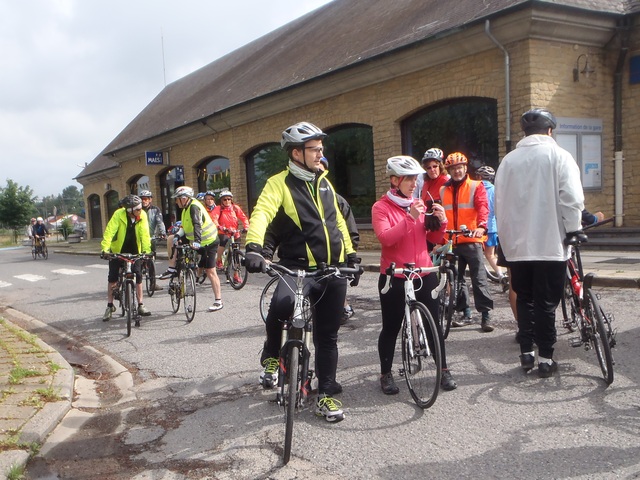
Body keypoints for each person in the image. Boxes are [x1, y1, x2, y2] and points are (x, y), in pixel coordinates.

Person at [243, 121, 360, 423]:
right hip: (295, 267)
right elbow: (262, 213)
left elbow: (337, 225)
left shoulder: (325, 182)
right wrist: (254, 248)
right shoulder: (278, 183)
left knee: (327, 336)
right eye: (315, 149)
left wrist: (352, 256)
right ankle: (272, 354)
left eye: (322, 149)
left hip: (331, 270)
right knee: (281, 306)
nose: (321, 154)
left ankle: (327, 395)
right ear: (297, 153)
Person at [495, 107, 584, 378]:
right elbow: (571, 198)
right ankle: (545, 358)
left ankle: (526, 353)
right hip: (549, 243)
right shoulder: (559, 155)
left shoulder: (508, 161)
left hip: (517, 245)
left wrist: (506, 240)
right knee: (546, 303)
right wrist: (574, 230)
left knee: (525, 299)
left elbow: (500, 203)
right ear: (550, 130)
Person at [372, 155, 457, 394]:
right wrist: (410, 217)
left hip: (423, 271)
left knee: (434, 325)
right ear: (394, 180)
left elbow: (431, 240)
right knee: (391, 326)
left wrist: (441, 222)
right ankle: (386, 373)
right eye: (408, 178)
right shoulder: (381, 208)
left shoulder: (419, 202)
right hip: (394, 274)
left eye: (415, 178)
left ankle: (443, 370)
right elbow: (386, 238)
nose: (413, 183)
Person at [440, 152, 494, 332]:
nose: (457, 171)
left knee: (479, 278)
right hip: (452, 241)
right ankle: (466, 313)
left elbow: (482, 207)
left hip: (471, 239)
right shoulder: (443, 189)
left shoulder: (475, 186)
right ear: (449, 170)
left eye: (460, 167)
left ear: (465, 168)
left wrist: (481, 226)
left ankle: (486, 315)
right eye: (453, 168)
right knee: (457, 279)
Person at [159, 186, 223, 312]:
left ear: (184, 199)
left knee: (210, 271)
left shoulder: (194, 207)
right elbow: (185, 226)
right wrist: (178, 235)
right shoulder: (185, 210)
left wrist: (197, 242)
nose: (176, 202)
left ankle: (218, 301)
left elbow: (197, 225)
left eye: (177, 199)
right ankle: (172, 268)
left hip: (208, 242)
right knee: (171, 239)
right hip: (195, 240)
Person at [318, 156, 359, 324]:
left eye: (321, 170)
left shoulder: (336, 199)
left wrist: (351, 255)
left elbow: (350, 228)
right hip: (313, 254)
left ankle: (343, 306)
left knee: (336, 285)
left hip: (337, 252)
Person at [100, 195, 152, 322]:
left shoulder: (143, 215)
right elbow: (109, 232)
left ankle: (140, 304)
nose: (141, 210)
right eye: (138, 209)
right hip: (118, 250)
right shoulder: (119, 214)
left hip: (135, 250)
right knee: (112, 278)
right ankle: (110, 306)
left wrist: (146, 251)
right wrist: (105, 249)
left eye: (141, 207)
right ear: (130, 210)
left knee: (139, 276)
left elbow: (145, 234)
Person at [211, 190, 249, 278]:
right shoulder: (218, 209)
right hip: (223, 232)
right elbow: (214, 219)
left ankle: (236, 275)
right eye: (224, 199)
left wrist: (246, 226)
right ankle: (219, 259)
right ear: (221, 201)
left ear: (231, 200)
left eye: (229, 199)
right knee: (223, 241)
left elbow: (244, 218)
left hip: (234, 232)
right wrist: (219, 226)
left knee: (236, 254)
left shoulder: (235, 208)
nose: (227, 201)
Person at [475, 165, 504, 280]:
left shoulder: (476, 188)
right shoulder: (495, 190)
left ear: (479, 176)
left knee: (477, 256)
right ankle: (501, 275)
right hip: (492, 227)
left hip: (478, 227)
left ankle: (478, 279)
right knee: (490, 255)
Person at [139, 190, 166, 291]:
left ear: (150, 200)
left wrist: (163, 233)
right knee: (138, 260)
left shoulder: (155, 210)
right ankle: (137, 282)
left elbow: (160, 222)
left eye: (145, 199)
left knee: (151, 261)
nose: (143, 201)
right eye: (142, 199)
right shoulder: (138, 210)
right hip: (139, 239)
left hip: (151, 239)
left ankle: (153, 284)